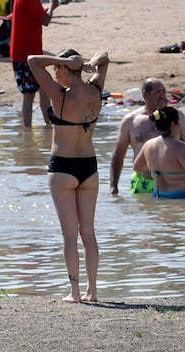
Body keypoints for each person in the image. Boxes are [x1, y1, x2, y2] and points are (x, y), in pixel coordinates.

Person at [28, 49, 109, 303]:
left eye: (58, 70)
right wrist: (89, 64)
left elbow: (32, 61)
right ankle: (92, 291)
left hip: (63, 168)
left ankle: (74, 292)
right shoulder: (96, 88)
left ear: (65, 69)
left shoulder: (59, 95)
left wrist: (67, 61)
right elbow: (104, 56)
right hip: (89, 168)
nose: (55, 73)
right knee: (89, 233)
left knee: (69, 235)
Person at [109, 78, 185, 195]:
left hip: (172, 182)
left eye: (163, 91)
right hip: (143, 181)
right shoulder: (130, 121)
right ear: (145, 94)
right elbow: (118, 155)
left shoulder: (177, 117)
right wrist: (113, 186)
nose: (163, 96)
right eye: (158, 92)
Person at [9, 0, 70, 127]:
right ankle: (27, 130)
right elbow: (45, 20)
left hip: (29, 52)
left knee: (44, 90)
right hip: (25, 55)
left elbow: (36, 14)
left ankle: (49, 125)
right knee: (29, 94)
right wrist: (52, 6)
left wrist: (57, 5)